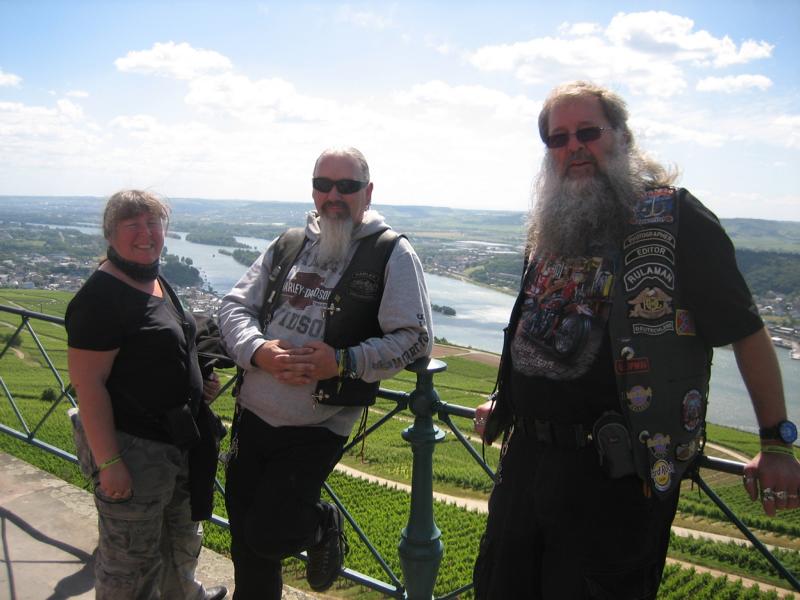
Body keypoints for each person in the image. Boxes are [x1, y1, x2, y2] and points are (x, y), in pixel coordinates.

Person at [472, 81, 800, 600]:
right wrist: (505, 397)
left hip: (617, 480)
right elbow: (531, 321)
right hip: (525, 462)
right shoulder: (550, 223)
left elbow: (747, 333)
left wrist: (775, 443)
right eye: (558, 138)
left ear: (622, 136)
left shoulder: (677, 218)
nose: (573, 147)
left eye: (588, 132)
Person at [218, 146, 433, 599]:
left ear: (367, 193)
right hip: (252, 412)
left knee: (268, 533)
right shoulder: (290, 243)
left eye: (347, 186)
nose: (333, 196)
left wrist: (344, 361)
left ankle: (322, 525)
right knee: (246, 547)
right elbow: (235, 306)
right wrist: (257, 350)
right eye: (323, 185)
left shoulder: (391, 252)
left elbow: (416, 339)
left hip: (317, 423)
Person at [66, 190, 227, 600]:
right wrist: (110, 463)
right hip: (133, 450)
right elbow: (89, 386)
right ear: (110, 233)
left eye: (153, 223)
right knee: (130, 564)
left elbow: (169, 346)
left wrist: (198, 384)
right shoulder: (99, 299)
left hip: (175, 443)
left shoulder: (153, 279)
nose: (146, 233)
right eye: (132, 224)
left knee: (180, 542)